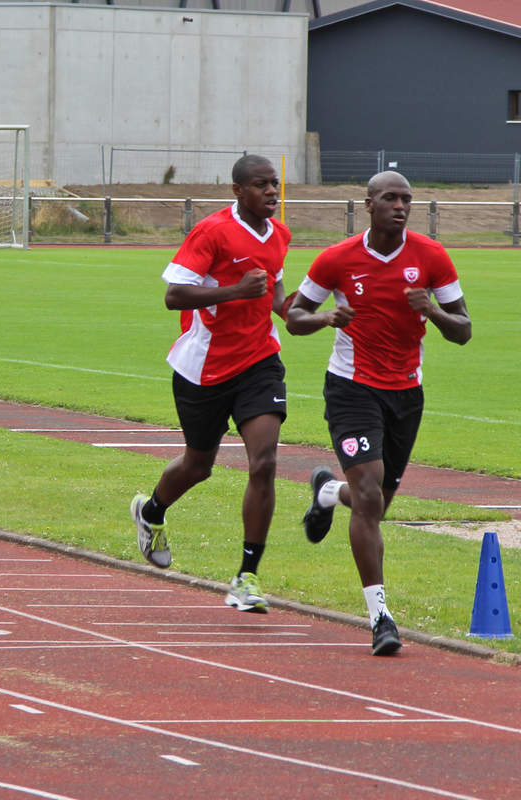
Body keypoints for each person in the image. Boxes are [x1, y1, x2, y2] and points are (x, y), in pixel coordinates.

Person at [286, 170, 472, 656]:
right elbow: (295, 318)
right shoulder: (337, 258)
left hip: (406, 393)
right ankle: (380, 619)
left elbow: (464, 329)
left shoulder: (431, 257)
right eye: (390, 198)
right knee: (369, 497)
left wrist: (432, 310)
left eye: (406, 199)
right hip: (351, 389)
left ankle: (328, 492)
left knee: (377, 504)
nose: (400, 206)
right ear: (368, 204)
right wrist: (327, 317)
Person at [129, 154, 291, 614]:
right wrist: (236, 291)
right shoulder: (211, 232)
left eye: (275, 184)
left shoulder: (280, 234)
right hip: (204, 368)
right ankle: (151, 512)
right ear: (238, 190)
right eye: (261, 185)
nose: (272, 192)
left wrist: (306, 313)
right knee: (198, 466)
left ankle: (247, 577)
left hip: (260, 362)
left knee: (264, 462)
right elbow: (174, 295)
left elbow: (275, 292)